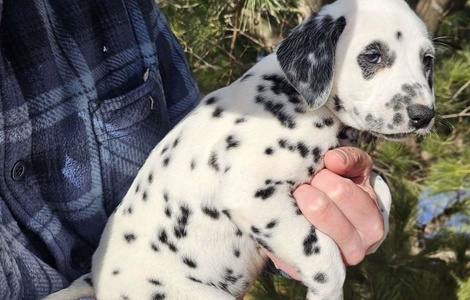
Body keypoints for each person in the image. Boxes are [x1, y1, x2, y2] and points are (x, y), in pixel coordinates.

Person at [0, 0, 388, 299]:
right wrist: (326, 278)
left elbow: (220, 184)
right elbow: (248, 194)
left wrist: (331, 219)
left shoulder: (123, 10)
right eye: (374, 57)